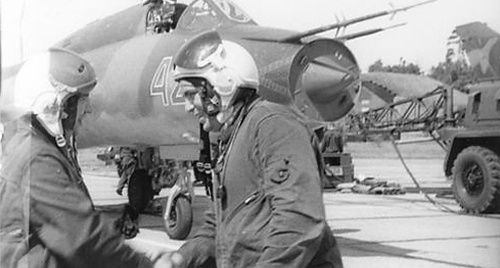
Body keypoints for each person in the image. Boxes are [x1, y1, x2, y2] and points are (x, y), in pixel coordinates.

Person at [172, 31, 344, 268]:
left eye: (191, 95)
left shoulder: (274, 125)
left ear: (222, 85)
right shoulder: (232, 137)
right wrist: (179, 259)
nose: (187, 107)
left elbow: (298, 220)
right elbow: (219, 225)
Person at [0, 48, 178, 268]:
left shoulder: (31, 145)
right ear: (57, 104)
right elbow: (83, 240)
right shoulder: (36, 159)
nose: (89, 109)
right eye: (83, 99)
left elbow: (59, 225)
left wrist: (109, 224)